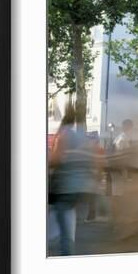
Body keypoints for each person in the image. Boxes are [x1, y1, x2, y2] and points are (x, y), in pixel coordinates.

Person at [48, 102, 94, 255]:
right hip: (78, 187)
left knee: (62, 229)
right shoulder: (82, 135)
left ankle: (65, 255)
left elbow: (55, 159)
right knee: (64, 223)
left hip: (63, 186)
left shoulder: (65, 133)